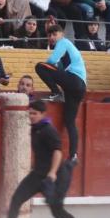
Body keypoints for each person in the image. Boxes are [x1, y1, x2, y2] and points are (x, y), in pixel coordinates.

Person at [0, 99, 88, 218]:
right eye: (30, 113)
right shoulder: (36, 129)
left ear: (43, 114)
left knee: (57, 211)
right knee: (16, 199)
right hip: (38, 174)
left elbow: (57, 152)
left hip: (56, 176)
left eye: (34, 114)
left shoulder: (48, 130)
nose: (31, 116)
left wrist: (52, 173)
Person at [35, 24, 86, 162]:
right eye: (49, 35)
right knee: (69, 122)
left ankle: (56, 93)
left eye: (54, 34)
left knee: (40, 66)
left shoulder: (63, 42)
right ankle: (73, 155)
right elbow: (58, 70)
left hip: (73, 80)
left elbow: (52, 61)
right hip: (79, 87)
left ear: (61, 34)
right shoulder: (67, 47)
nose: (51, 37)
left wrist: (47, 67)